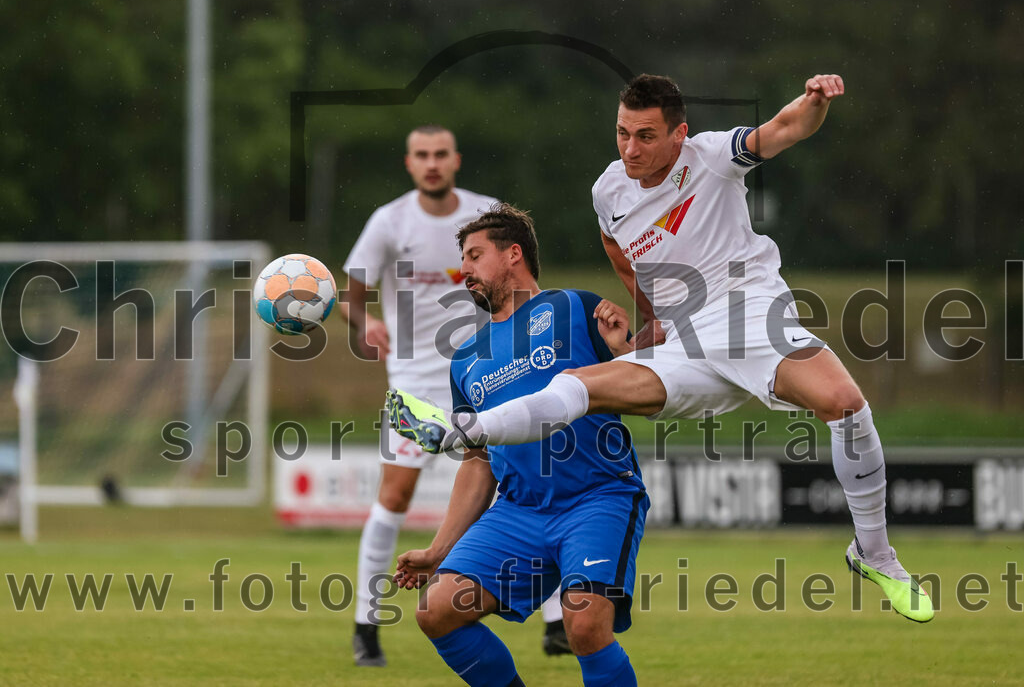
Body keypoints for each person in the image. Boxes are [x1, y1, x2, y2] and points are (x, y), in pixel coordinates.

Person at [389, 76, 935, 623]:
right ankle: (462, 432)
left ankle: (874, 552)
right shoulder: (609, 190)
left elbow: (786, 127)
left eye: (646, 136)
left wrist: (815, 102)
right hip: (685, 344)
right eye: (622, 134)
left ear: (680, 135)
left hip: (749, 319)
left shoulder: (715, 156)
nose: (630, 149)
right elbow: (615, 243)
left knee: (845, 404)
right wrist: (651, 314)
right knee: (581, 384)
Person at [389, 204, 648, 687]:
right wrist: (440, 548)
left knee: (585, 625)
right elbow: (478, 460)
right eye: (461, 260)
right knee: (437, 611)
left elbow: (651, 397)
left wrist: (624, 353)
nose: (462, 270)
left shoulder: (574, 307)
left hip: (597, 499)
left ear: (513, 254)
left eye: (473, 255)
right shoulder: (465, 358)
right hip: (519, 511)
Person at [340, 126, 568, 667]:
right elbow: (351, 293)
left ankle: (558, 622)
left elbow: (525, 277)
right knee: (393, 498)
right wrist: (364, 321)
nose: (432, 163)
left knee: (536, 483)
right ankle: (366, 624)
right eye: (422, 155)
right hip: (416, 383)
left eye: (440, 154)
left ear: (456, 160)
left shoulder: (485, 215)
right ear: (409, 163)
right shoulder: (389, 221)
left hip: (492, 371)